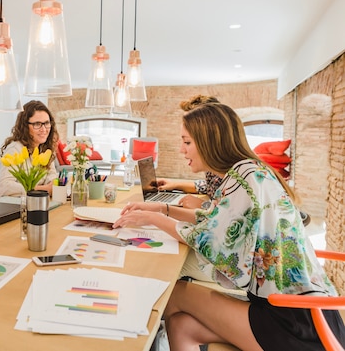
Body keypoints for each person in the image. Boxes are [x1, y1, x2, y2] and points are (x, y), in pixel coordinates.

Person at [113, 102, 345, 350]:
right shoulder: (248, 172)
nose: (181, 150)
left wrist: (153, 219)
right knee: (182, 325)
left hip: (293, 320)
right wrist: (160, 209)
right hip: (305, 312)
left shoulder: (243, 179)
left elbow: (208, 239)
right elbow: (215, 219)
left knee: (173, 293)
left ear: (209, 141)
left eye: (187, 142)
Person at [156, 95, 223, 209]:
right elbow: (210, 187)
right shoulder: (215, 166)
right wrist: (176, 184)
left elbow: (228, 216)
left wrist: (203, 205)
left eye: (187, 142)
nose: (181, 150)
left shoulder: (238, 176)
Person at [0, 100, 58, 196]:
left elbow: (52, 178)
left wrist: (54, 184)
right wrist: (40, 189)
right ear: (25, 126)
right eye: (37, 124)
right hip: (19, 207)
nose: (44, 129)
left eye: (46, 123)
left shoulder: (45, 148)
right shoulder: (15, 149)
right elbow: (4, 186)